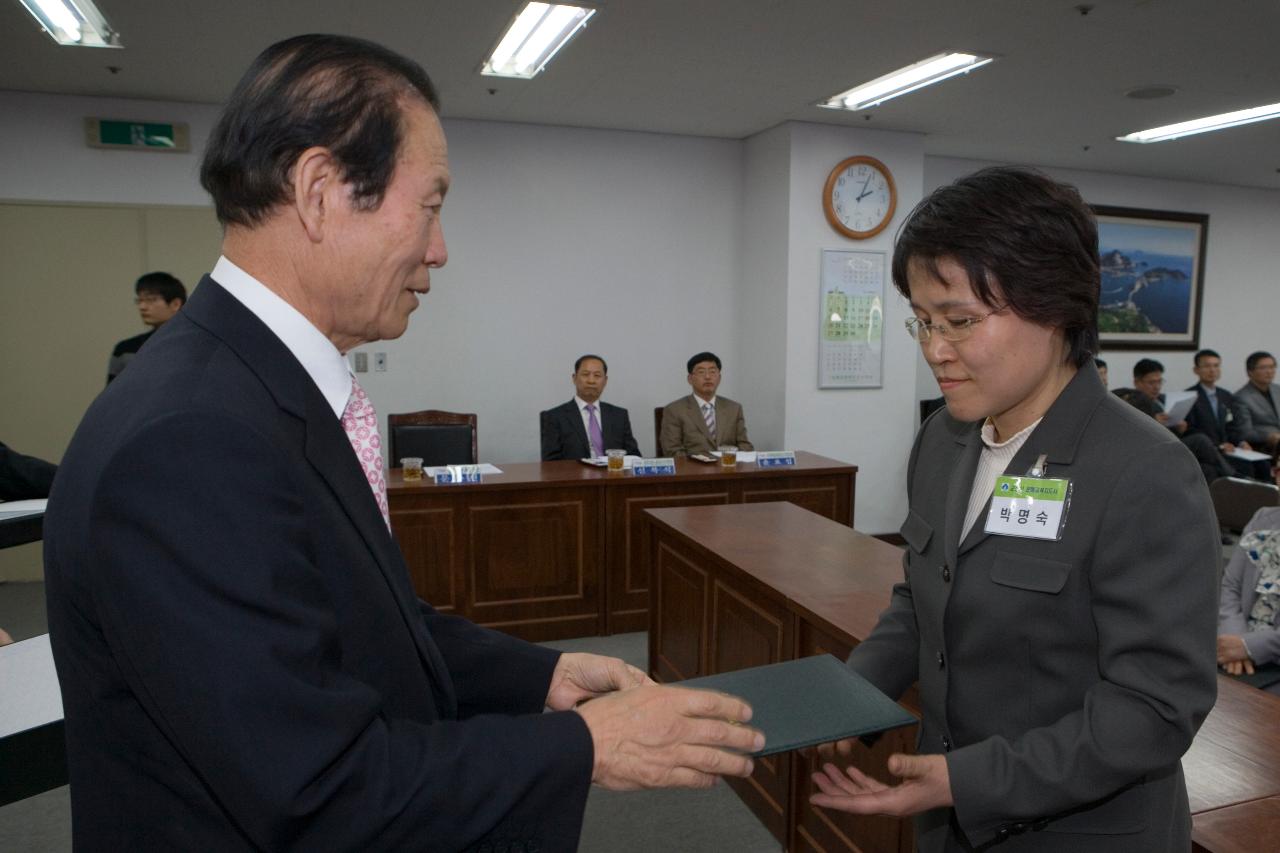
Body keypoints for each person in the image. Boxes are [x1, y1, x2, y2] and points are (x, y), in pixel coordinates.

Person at [44, 34, 761, 852]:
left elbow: (367, 621)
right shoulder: (191, 439)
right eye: (430, 204)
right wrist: (593, 745)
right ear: (320, 191)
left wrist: (543, 676)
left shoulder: (261, 389)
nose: (440, 249)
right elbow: (318, 789)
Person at [810, 167, 1218, 851]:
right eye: (923, 322)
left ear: (1055, 307)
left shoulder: (1143, 470)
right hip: (948, 823)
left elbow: (1154, 707)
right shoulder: (943, 437)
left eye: (961, 322)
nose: (936, 350)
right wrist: (849, 698)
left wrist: (967, 779)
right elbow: (924, 594)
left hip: (1081, 832)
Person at [1115, 357, 1234, 483]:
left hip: (1176, 445)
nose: (1156, 387)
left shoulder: (1165, 399)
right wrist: (1155, 424)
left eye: (1159, 382)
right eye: (1151, 383)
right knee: (1200, 440)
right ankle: (1233, 478)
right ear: (1137, 382)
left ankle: (1227, 492)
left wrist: (1182, 428)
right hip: (1156, 451)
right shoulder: (1133, 402)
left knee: (1208, 469)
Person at [1217, 467, 1280, 694]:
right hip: (1231, 647)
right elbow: (1230, 586)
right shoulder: (1263, 518)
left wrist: (1248, 647)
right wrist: (1235, 639)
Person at [1184, 348, 1268, 479]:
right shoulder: (1189, 396)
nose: (1212, 370)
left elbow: (1232, 426)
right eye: (1207, 366)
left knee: (1262, 464)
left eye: (1216, 365)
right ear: (1196, 370)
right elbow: (1191, 430)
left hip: (1230, 449)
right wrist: (1219, 445)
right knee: (1244, 468)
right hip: (1210, 451)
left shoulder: (1226, 395)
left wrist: (1240, 442)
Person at [540, 354, 641, 460]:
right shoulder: (554, 417)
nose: (591, 381)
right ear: (574, 378)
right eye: (585, 374)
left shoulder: (619, 415)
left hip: (613, 474)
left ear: (605, 381)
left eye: (597, 375)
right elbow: (550, 463)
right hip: (575, 475)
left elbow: (633, 455)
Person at [660, 351, 753, 456]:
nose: (708, 377)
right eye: (701, 372)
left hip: (728, 468)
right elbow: (672, 451)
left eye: (713, 372)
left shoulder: (734, 409)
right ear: (690, 379)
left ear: (719, 378)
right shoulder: (674, 410)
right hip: (694, 470)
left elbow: (745, 446)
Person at [105, 271, 187, 384]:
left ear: (175, 304)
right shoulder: (125, 349)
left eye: (151, 299)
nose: (142, 307)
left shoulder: (195, 344)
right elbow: (111, 397)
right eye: (139, 300)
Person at [1235, 350, 1280, 456]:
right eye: (1264, 368)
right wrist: (1269, 436)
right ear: (1250, 372)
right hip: (1265, 445)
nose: (1269, 371)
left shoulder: (1277, 390)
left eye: (1272, 367)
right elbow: (1245, 432)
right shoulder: (1241, 397)